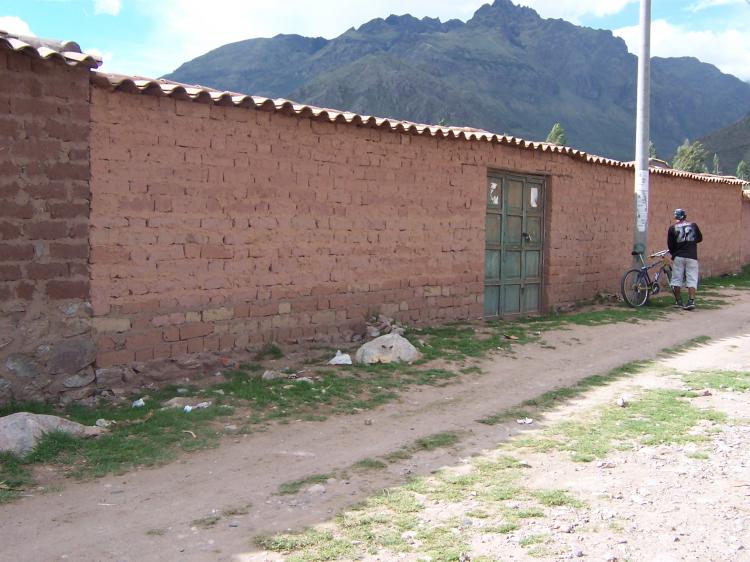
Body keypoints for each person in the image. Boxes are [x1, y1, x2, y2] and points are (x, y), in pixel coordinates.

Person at [667, 208, 702, 310]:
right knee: (691, 278)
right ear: (685, 216)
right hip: (692, 256)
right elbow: (699, 238)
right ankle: (691, 301)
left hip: (679, 256)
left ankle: (678, 301)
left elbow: (670, 246)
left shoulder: (672, 228)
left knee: (676, 279)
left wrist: (674, 254)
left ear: (676, 217)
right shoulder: (693, 225)